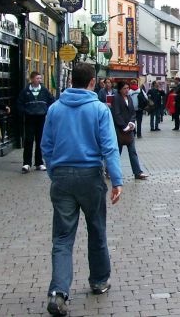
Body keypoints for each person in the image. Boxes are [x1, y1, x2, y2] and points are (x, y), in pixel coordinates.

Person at [40, 62, 124, 316]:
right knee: (96, 230)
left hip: (62, 177)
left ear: (71, 81)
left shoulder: (55, 109)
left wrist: (55, 171)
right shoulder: (99, 109)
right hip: (90, 177)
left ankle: (58, 292)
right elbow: (109, 147)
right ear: (91, 82)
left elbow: (46, 146)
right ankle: (99, 281)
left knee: (63, 238)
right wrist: (117, 181)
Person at [17, 71, 55, 173]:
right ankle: (26, 163)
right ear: (32, 79)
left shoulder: (44, 90)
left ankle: (39, 163)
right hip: (30, 118)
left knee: (40, 141)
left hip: (41, 118)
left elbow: (52, 101)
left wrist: (46, 110)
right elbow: (19, 103)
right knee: (28, 140)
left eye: (40, 78)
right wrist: (25, 112)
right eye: (37, 78)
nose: (39, 80)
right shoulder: (25, 91)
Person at [111, 81, 148, 180]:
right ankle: (110, 171)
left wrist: (131, 123)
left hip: (129, 129)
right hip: (119, 130)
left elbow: (133, 112)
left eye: (128, 88)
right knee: (117, 152)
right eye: (124, 88)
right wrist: (123, 126)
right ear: (120, 89)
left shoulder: (129, 98)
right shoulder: (116, 98)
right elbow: (116, 114)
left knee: (132, 152)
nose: (127, 90)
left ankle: (137, 172)